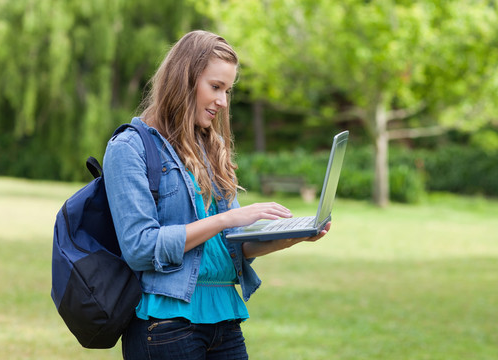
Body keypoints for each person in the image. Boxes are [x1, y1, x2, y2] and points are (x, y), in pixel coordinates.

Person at [103, 30, 331, 360]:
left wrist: (292, 236)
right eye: (215, 87)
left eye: (227, 90)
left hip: (224, 318)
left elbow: (233, 245)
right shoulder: (129, 148)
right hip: (165, 324)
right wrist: (227, 218)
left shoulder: (210, 148)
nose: (223, 102)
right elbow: (141, 247)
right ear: (184, 80)